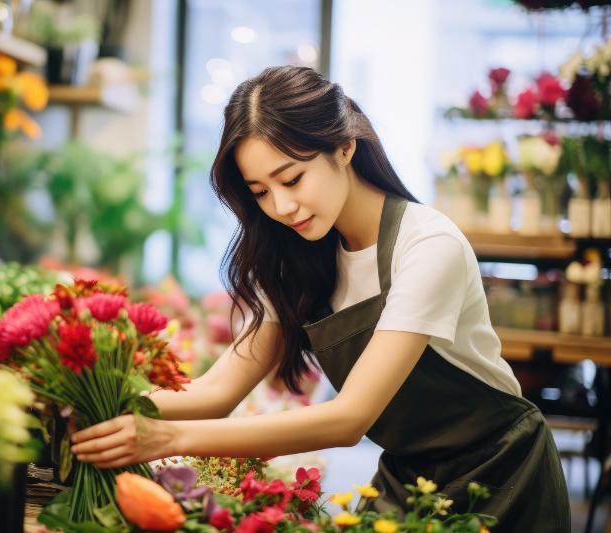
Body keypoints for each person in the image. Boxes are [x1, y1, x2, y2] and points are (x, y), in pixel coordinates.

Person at [70, 65, 570, 531]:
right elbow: (216, 392)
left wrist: (170, 439)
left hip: (503, 471)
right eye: (260, 192)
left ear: (345, 147)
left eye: (292, 179)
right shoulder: (292, 257)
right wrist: (93, 402)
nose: (282, 207)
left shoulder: (427, 246)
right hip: (409, 473)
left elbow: (349, 418)